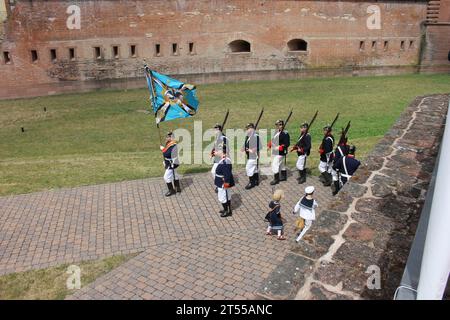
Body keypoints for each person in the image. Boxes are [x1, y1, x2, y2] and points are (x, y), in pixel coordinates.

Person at [268, 119, 290, 185]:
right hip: (276, 151)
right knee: (282, 164)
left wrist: (278, 147)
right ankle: (283, 176)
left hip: (281, 152)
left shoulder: (285, 133)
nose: (279, 126)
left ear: (283, 125)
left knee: (275, 164)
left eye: (280, 125)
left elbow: (287, 144)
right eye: (278, 125)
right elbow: (273, 140)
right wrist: (269, 145)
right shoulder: (277, 132)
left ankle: (276, 179)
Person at [214, 149, 235, 217]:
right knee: (227, 197)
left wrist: (225, 185)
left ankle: (227, 211)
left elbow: (227, 175)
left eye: (219, 151)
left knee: (222, 198)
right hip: (222, 181)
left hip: (223, 183)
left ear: (224, 154)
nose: (217, 152)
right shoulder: (225, 160)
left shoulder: (225, 162)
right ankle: (227, 209)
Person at [160, 131, 181, 197]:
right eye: (167, 136)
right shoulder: (169, 143)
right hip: (170, 162)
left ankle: (171, 190)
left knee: (166, 177)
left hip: (171, 163)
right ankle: (178, 188)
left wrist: (163, 149)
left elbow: (168, 154)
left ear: (172, 137)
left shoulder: (173, 145)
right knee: (175, 174)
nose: (166, 138)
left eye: (168, 137)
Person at [242, 123, 261, 189]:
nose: (247, 130)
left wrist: (251, 150)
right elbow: (245, 144)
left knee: (248, 168)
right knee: (255, 169)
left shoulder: (256, 136)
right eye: (247, 128)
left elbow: (259, 146)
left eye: (249, 128)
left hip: (254, 156)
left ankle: (251, 182)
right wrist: (243, 148)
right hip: (249, 156)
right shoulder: (248, 136)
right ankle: (256, 181)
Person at [211, 123, 228, 192]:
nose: (214, 130)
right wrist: (212, 152)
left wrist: (217, 153)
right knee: (213, 172)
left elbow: (225, 151)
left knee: (215, 172)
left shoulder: (223, 138)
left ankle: (220, 185)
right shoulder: (217, 137)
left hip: (222, 159)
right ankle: (219, 184)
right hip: (217, 159)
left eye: (216, 129)